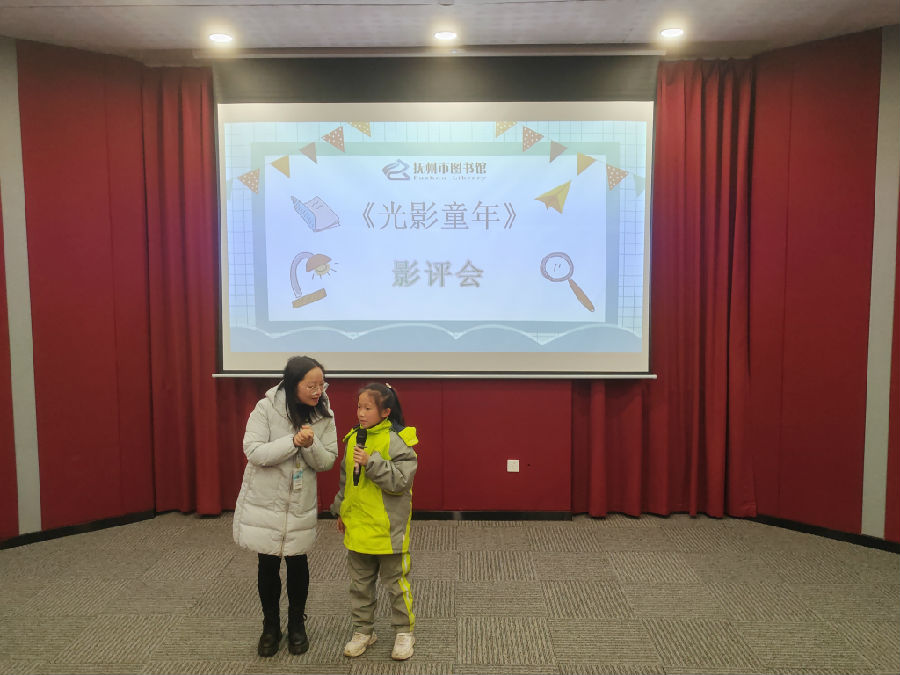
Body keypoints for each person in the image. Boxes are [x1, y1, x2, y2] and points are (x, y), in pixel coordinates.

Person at [233, 355, 338, 657]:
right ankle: (270, 626)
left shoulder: (324, 414)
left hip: (299, 502)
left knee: (297, 562)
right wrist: (292, 442)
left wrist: (310, 444)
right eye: (311, 386)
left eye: (321, 385)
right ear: (293, 385)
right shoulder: (266, 408)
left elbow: (327, 461)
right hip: (266, 500)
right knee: (267, 563)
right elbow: (254, 452)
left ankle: (296, 625)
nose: (318, 391)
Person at [330, 382, 419, 661]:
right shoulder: (353, 438)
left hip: (387, 531)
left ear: (385, 412)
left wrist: (372, 462)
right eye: (359, 407)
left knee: (396, 585)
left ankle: (404, 632)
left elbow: (401, 482)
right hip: (358, 528)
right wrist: (341, 510)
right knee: (360, 585)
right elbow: (347, 481)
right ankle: (363, 631)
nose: (361, 413)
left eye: (368, 408)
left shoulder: (398, 440)